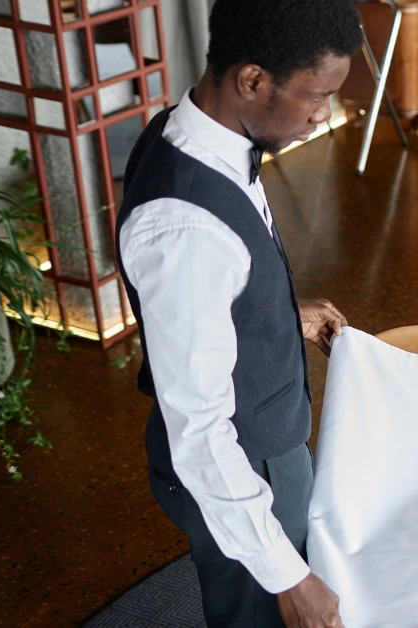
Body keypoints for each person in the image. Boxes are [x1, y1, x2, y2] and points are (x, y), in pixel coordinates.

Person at [114, 1, 362, 626]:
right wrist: (286, 575)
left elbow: (211, 295)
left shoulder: (198, 132)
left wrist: (279, 312)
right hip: (245, 470)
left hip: (262, 445)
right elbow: (198, 430)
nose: (321, 114)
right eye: (315, 96)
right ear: (252, 80)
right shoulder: (185, 225)